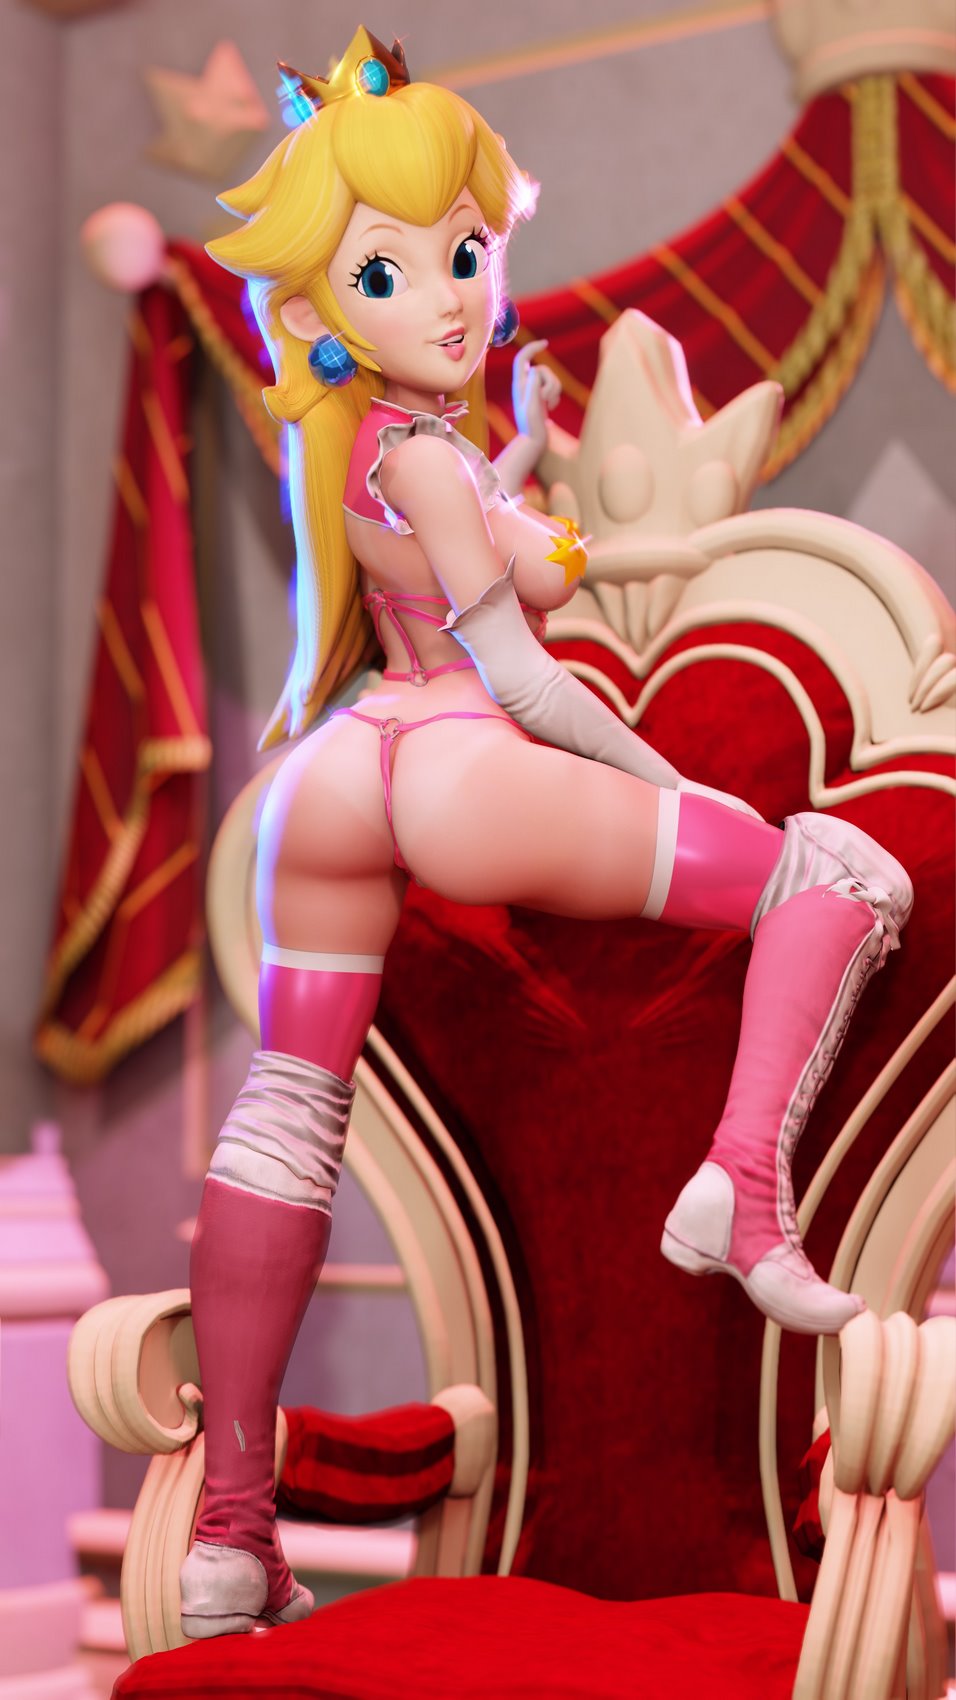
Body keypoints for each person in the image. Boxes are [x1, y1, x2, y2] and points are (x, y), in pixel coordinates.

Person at [179, 27, 912, 1639]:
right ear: (318, 310)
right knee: (843, 875)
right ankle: (742, 1189)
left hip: (339, 780)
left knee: (284, 1117)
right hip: (455, 761)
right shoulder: (424, 464)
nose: (449, 296)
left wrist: (517, 436)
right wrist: (680, 790)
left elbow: (477, 532)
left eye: (465, 254)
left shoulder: (378, 450)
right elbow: (520, 677)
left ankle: (231, 1535)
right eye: (393, 275)